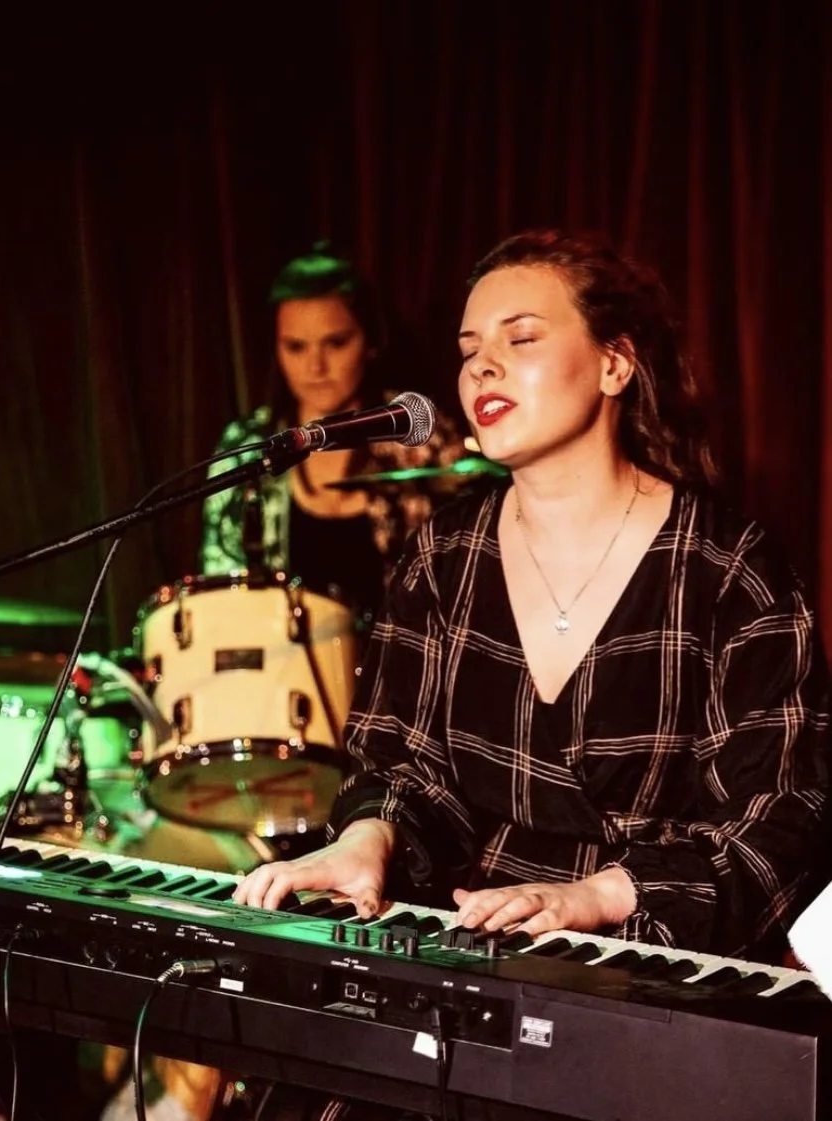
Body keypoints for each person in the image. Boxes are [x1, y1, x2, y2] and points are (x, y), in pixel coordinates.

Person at [233, 228, 831, 1118]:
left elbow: (786, 812)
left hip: (651, 980)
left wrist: (598, 895)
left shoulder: (726, 566)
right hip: (469, 954)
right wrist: (371, 837)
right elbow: (402, 764)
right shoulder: (442, 555)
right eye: (470, 351)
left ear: (615, 366)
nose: (482, 371)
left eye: (521, 339)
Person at [201, 242, 471, 627]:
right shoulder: (247, 446)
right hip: (284, 674)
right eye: (295, 347)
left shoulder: (418, 433)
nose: (315, 366)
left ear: (371, 341)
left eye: (336, 343)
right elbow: (221, 594)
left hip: (403, 666)